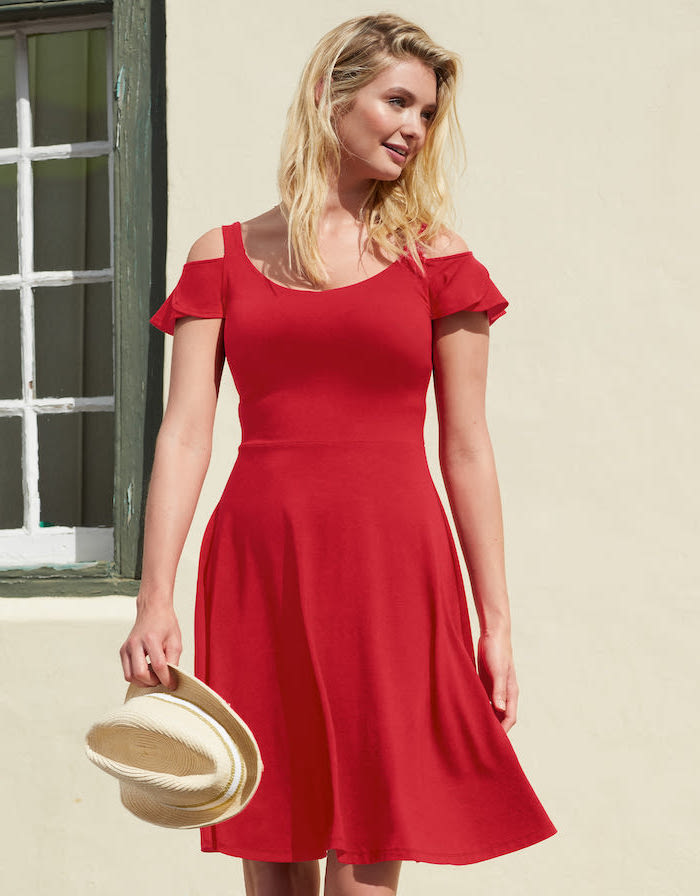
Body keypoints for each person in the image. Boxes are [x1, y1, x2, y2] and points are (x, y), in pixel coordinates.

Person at [120, 12, 557, 896]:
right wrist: (154, 594)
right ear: (331, 95)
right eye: (398, 100)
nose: (413, 128)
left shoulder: (437, 259)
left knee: (367, 854)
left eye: (427, 113)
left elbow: (467, 448)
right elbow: (185, 432)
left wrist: (497, 619)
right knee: (271, 847)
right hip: (261, 564)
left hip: (393, 566)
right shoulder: (222, 255)